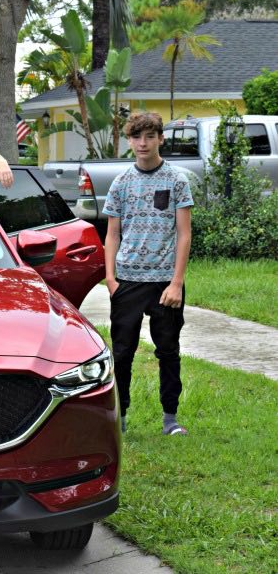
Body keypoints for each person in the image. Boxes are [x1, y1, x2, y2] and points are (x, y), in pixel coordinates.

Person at [102, 112, 193, 436]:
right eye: (137, 137)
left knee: (168, 350)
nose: (143, 143)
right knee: (122, 352)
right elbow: (112, 235)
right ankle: (120, 417)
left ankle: (170, 419)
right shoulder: (121, 183)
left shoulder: (176, 180)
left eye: (149, 136)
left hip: (165, 283)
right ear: (130, 141)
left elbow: (184, 233)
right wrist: (112, 280)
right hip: (127, 281)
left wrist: (177, 283)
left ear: (160, 139)